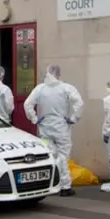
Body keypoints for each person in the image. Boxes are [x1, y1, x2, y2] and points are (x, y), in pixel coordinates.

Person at [24, 65, 83, 197]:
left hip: (45, 126)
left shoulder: (40, 89)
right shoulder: (66, 88)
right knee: (63, 155)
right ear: (59, 74)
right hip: (61, 126)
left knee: (51, 155)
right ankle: (65, 185)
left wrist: (34, 119)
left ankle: (51, 184)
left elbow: (27, 104)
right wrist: (73, 118)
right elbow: (79, 103)